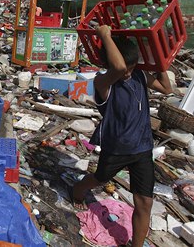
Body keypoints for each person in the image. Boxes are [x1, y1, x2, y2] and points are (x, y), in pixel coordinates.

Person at [72, 25, 172, 247]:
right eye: (125, 67)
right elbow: (118, 67)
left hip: (143, 148)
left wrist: (158, 62)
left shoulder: (140, 75)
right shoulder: (103, 83)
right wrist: (105, 35)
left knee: (145, 201)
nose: (127, 71)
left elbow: (167, 88)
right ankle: (77, 191)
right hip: (116, 148)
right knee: (100, 178)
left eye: (132, 66)